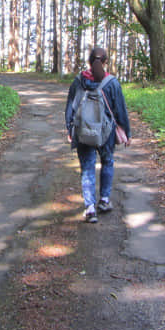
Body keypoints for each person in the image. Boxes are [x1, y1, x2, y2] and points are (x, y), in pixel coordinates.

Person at [65, 48, 131, 223]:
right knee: (107, 161)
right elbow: (121, 110)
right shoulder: (112, 83)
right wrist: (127, 132)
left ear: (88, 61)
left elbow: (70, 107)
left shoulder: (78, 81)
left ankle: (90, 208)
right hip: (106, 133)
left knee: (87, 167)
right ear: (106, 62)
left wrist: (69, 129)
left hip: (83, 132)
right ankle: (104, 200)